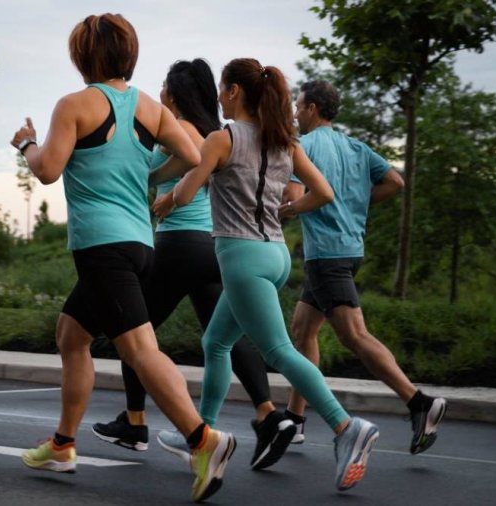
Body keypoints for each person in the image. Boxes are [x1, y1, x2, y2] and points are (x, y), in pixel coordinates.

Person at [9, 14, 235, 502]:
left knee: (138, 349)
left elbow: (48, 170)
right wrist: (150, 177)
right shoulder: (150, 108)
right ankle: (64, 444)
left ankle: (204, 440)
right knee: (72, 335)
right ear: (127, 55)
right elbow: (194, 156)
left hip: (102, 247)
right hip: (139, 242)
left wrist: (26, 143)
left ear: (82, 56)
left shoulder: (74, 105)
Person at [153, 58, 379, 492]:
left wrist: (167, 201)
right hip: (276, 255)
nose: (218, 96)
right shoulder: (283, 140)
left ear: (235, 91)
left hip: (241, 256)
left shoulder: (223, 138)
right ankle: (203, 434)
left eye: (222, 88)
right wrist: (287, 210)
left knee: (278, 350)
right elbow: (324, 192)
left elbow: (184, 189)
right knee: (215, 342)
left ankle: (346, 427)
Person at [90, 58, 293, 472]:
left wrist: (151, 178)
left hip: (180, 245)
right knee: (225, 338)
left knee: (133, 331)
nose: (160, 92)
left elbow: (168, 165)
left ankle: (134, 422)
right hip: (212, 249)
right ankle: (268, 414)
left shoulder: (181, 130)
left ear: (175, 93)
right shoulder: (213, 130)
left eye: (165, 87)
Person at [283, 80, 446, 454]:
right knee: (302, 330)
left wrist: (283, 208)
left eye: (298, 106)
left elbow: (292, 197)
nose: (294, 113)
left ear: (311, 109)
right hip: (349, 250)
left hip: (327, 254)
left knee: (354, 336)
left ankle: (418, 401)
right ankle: (295, 418)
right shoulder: (355, 146)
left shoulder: (304, 147)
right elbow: (394, 181)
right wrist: (356, 203)